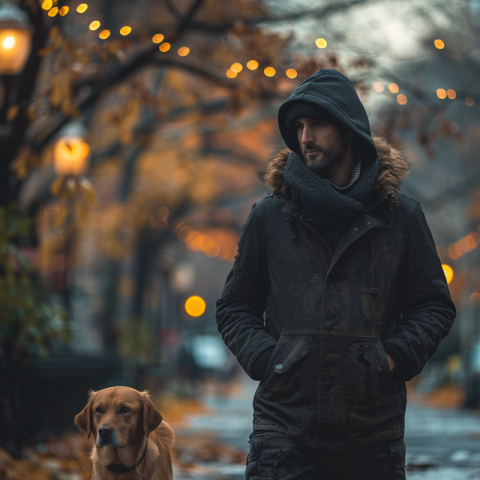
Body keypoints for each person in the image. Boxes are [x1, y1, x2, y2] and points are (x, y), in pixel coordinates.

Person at [215, 68, 456, 479]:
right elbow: (235, 305)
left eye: (318, 124)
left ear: (348, 131)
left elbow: (433, 305)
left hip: (372, 433)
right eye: (299, 126)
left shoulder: (401, 217)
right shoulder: (270, 215)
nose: (306, 137)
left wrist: (393, 358)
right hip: (284, 429)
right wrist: (268, 359)